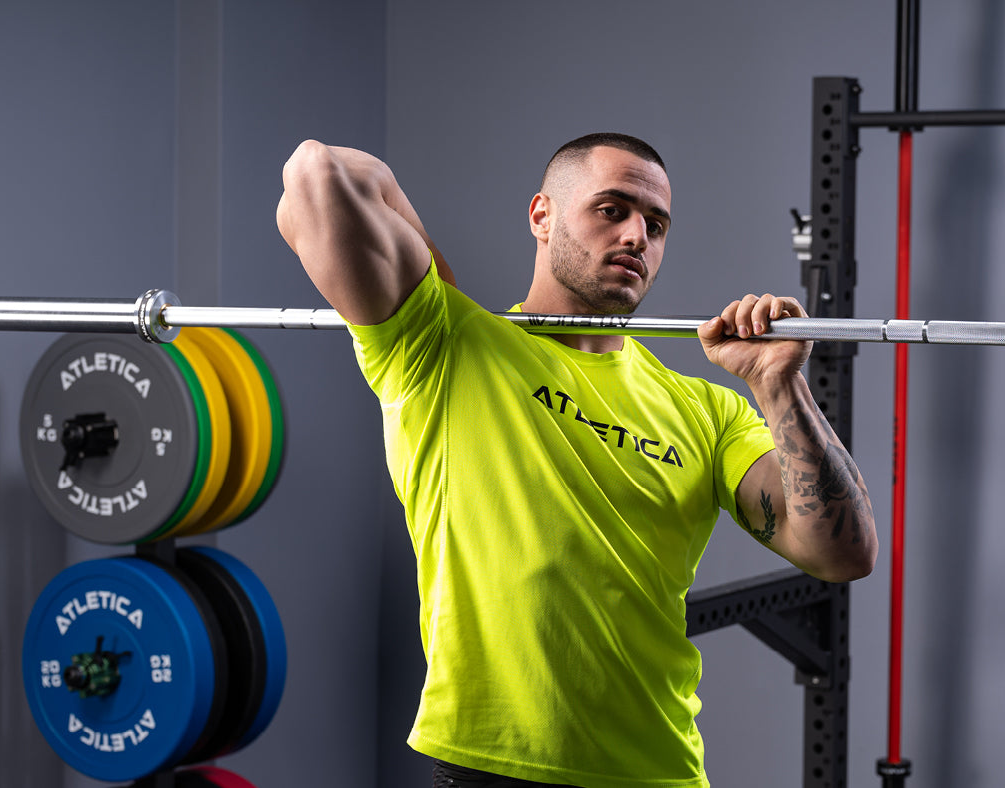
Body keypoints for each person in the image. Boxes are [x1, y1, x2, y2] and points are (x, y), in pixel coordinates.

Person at [276, 132, 877, 787]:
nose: (636, 236)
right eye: (611, 209)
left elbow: (842, 553)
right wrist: (436, 279)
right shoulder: (440, 345)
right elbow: (318, 175)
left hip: (658, 771)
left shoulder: (707, 410)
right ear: (542, 215)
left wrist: (777, 384)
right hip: (489, 764)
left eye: (655, 224)